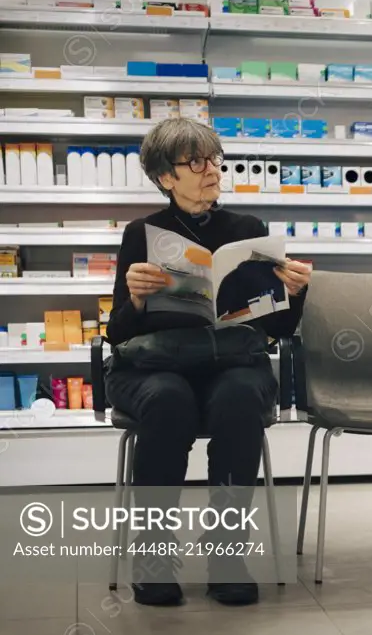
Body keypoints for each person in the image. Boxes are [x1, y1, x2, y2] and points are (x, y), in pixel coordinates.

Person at [104, 118, 312, 607]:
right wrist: (135, 299)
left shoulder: (247, 231)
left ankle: (226, 553)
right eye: (195, 162)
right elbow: (116, 334)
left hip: (231, 361)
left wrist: (293, 295)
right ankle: (153, 554)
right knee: (167, 400)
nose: (212, 170)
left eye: (215, 159)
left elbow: (277, 329)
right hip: (157, 366)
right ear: (165, 177)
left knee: (240, 397)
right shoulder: (142, 234)